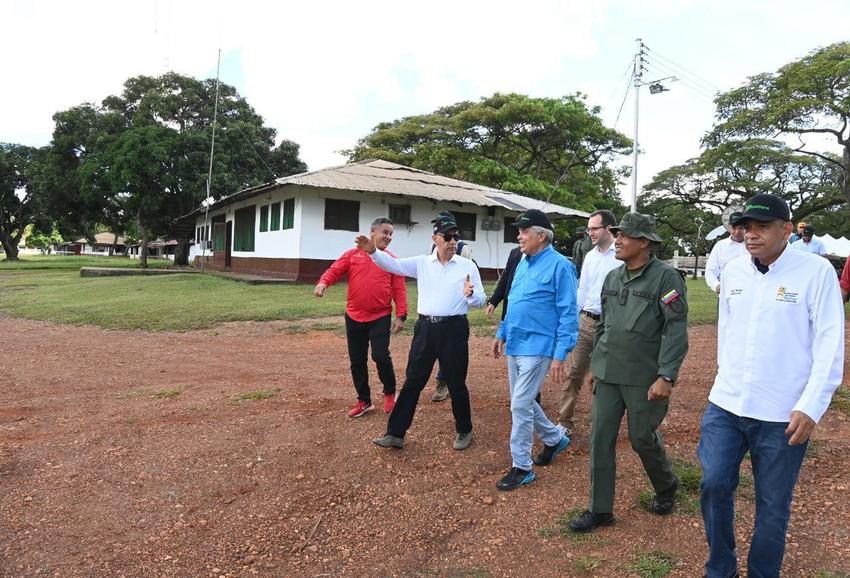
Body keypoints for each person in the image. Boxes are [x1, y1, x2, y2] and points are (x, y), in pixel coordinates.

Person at [698, 193, 844, 578]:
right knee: (713, 485)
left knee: (773, 504)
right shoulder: (733, 271)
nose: (751, 234)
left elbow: (830, 341)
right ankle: (721, 568)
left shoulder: (816, 272)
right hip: (726, 404)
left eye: (762, 227)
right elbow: (726, 331)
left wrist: (812, 405)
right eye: (747, 227)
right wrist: (721, 378)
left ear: (785, 229)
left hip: (783, 412)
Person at [569, 212, 689, 533]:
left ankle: (666, 486)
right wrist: (596, 364)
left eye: (624, 236)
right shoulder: (612, 277)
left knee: (641, 438)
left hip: (644, 377)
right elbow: (604, 325)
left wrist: (666, 375)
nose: (618, 240)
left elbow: (675, 329)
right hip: (608, 373)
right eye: (617, 234)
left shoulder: (666, 278)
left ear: (644, 243)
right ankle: (600, 510)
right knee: (600, 439)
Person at [357, 212, 486, 451]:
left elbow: (480, 300)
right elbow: (393, 265)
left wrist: (471, 295)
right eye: (447, 237)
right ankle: (395, 434)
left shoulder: (467, 267)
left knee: (457, 383)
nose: (453, 242)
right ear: (435, 238)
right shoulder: (422, 263)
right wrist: (373, 252)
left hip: (454, 329)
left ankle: (464, 430)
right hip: (425, 329)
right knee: (413, 382)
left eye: (455, 237)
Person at [491, 209, 579, 490]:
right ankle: (555, 440)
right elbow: (514, 301)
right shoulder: (522, 262)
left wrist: (560, 353)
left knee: (519, 404)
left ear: (541, 236)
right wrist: (502, 332)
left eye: (524, 231)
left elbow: (568, 312)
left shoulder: (560, 266)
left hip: (539, 346)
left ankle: (522, 466)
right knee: (524, 401)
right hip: (516, 342)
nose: (519, 236)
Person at [315, 217, 408, 418]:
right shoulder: (352, 255)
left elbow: (399, 289)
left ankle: (390, 393)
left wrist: (401, 315)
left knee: (380, 355)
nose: (389, 237)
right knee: (357, 361)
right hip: (354, 316)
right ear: (372, 231)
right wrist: (323, 283)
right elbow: (334, 271)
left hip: (380, 316)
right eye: (385, 232)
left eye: (391, 233)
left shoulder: (391, 259)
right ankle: (364, 401)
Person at [555, 209, 620, 438]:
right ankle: (564, 422)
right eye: (589, 229)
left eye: (594, 228)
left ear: (609, 229)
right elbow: (583, 289)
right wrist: (574, 320)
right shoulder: (591, 255)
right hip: (586, 322)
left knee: (604, 378)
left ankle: (603, 426)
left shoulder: (621, 255)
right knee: (574, 374)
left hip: (611, 326)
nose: (589, 233)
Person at [429, 211, 475, 402]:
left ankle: (444, 381)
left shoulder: (464, 248)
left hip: (456, 308)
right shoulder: (434, 246)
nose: (451, 240)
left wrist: (466, 292)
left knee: (451, 350)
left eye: (453, 235)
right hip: (437, 307)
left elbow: (468, 275)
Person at [704, 212, 748, 294]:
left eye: (741, 228)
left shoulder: (754, 244)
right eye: (734, 228)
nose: (737, 232)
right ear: (729, 228)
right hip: (727, 293)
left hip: (751, 293)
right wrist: (716, 286)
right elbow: (710, 270)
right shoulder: (720, 246)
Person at [486, 246, 522, 321]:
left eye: (524, 233)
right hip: (510, 308)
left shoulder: (551, 258)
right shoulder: (515, 252)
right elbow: (505, 279)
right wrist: (493, 302)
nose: (519, 237)